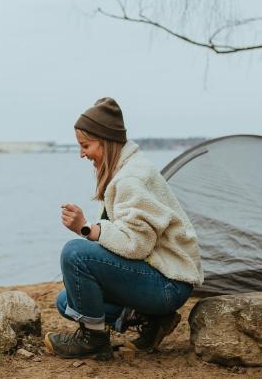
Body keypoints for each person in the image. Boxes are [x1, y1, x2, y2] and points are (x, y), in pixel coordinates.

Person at [44, 97, 203, 361]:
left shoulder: (131, 178)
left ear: (105, 141)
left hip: (168, 283)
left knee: (75, 253)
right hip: (157, 276)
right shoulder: (122, 172)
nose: (81, 154)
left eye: (85, 145)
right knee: (68, 302)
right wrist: (88, 231)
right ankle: (154, 320)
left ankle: (93, 339)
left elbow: (136, 244)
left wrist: (86, 229)